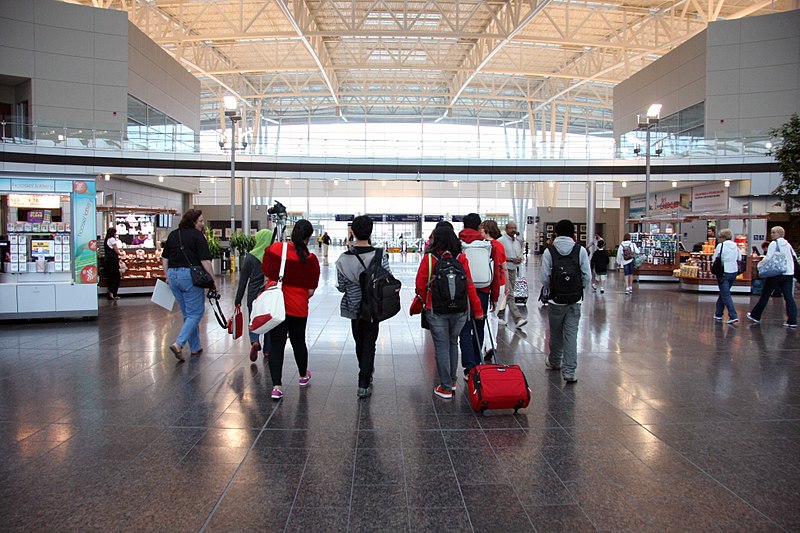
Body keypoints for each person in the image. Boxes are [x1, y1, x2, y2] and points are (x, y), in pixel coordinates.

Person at [415, 225, 483, 399]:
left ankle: (445, 387)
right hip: (460, 309)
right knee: (453, 342)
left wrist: (425, 301)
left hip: (436, 309)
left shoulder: (430, 259)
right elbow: (470, 285)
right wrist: (478, 310)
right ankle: (452, 381)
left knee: (442, 345)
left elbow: (420, 285)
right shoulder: (461, 258)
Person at [262, 220, 320, 400]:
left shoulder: (277, 249)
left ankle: (277, 387)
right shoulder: (310, 260)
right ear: (309, 237)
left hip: (277, 307)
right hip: (298, 307)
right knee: (298, 342)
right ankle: (303, 376)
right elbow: (310, 291)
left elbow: (267, 271)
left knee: (276, 344)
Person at [336, 215, 392, 398]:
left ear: (353, 232)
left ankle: (365, 373)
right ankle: (364, 380)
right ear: (371, 231)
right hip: (373, 306)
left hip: (354, 306)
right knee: (370, 342)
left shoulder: (343, 259)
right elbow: (387, 278)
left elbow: (341, 286)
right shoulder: (379, 254)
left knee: (359, 341)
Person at [541, 219, 591, 383]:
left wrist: (554, 288)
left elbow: (545, 278)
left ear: (555, 233)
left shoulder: (549, 251)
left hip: (556, 301)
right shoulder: (580, 250)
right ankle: (569, 372)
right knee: (571, 335)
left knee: (555, 334)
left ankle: (555, 361)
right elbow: (587, 276)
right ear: (573, 234)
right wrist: (578, 288)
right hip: (574, 300)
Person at [162, 209, 216, 362]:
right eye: (200, 221)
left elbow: (165, 258)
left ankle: (195, 347)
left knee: (188, 314)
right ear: (193, 222)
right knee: (196, 312)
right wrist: (213, 280)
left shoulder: (173, 234)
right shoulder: (198, 236)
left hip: (173, 275)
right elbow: (205, 261)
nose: (202, 224)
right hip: (189, 277)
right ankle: (179, 344)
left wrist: (167, 276)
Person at [458, 213, 502, 378]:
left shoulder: (458, 244)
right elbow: (496, 273)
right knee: (479, 326)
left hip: (463, 292)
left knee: (464, 329)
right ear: (478, 227)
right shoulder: (489, 245)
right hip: (483, 291)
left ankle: (468, 368)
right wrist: (495, 297)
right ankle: (477, 363)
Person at [234, 228, 273, 362]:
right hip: (268, 293)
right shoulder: (272, 256)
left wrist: (238, 299)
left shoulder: (250, 257)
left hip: (253, 294)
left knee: (253, 319)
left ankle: (254, 341)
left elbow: (243, 281)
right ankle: (268, 350)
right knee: (268, 320)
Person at [747, 226, 797, 328]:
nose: (772, 234)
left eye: (774, 232)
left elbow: (769, 257)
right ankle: (792, 320)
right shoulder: (788, 245)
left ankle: (755, 315)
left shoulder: (774, 244)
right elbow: (794, 257)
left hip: (776, 273)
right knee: (788, 297)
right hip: (788, 273)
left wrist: (760, 265)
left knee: (765, 294)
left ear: (779, 234)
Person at [479, 220, 506, 362]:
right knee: (494, 315)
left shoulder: (484, 246)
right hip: (500, 282)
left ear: (486, 230)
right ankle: (492, 344)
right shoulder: (499, 245)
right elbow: (504, 266)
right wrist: (507, 286)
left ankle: (488, 345)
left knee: (486, 315)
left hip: (487, 283)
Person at [498, 221, 527, 328]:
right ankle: (518, 318)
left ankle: (500, 316)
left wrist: (519, 259)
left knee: (507, 294)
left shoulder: (516, 242)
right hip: (503, 270)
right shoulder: (501, 241)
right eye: (511, 228)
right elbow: (498, 256)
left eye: (515, 227)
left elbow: (520, 254)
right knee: (509, 294)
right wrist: (510, 259)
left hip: (513, 270)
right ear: (506, 229)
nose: (513, 230)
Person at [712, 228, 742, 324]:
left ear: (723, 237)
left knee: (726, 295)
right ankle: (718, 313)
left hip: (723, 272)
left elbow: (715, 258)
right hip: (733, 271)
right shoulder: (736, 246)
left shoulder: (721, 246)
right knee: (724, 292)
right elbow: (739, 257)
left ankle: (733, 315)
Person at [103, 227, 123, 300]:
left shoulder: (106, 240)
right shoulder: (112, 239)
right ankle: (112, 292)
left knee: (110, 277)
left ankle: (111, 293)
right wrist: (121, 253)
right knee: (116, 276)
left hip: (108, 261)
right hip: (113, 261)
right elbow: (116, 250)